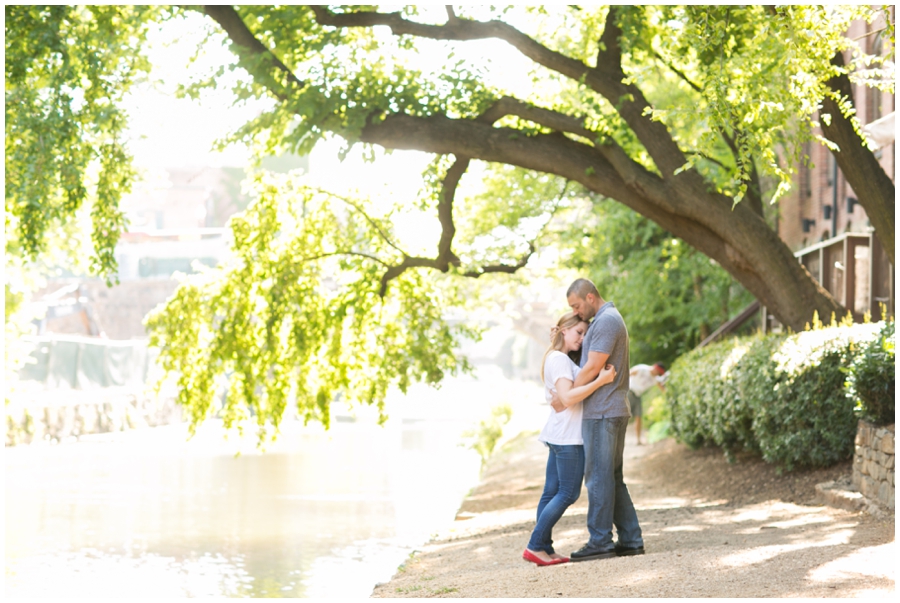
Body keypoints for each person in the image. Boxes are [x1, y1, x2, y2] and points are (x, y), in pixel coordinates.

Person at [551, 278, 644, 561]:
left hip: (603, 411)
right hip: (609, 409)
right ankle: (630, 540)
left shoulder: (606, 321)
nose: (577, 312)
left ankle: (600, 541)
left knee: (598, 479)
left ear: (590, 297)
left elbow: (593, 366)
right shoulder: (607, 319)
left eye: (577, 306)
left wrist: (568, 393)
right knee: (612, 478)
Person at [523, 311, 617, 567]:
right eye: (579, 332)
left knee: (551, 492)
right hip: (567, 438)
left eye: (585, 334)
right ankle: (534, 545)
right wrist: (601, 381)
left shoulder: (558, 358)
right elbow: (567, 398)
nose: (582, 338)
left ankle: (544, 548)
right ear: (564, 331)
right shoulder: (560, 360)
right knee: (567, 493)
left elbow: (564, 397)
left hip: (558, 433)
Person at [627, 363, 667, 445]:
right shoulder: (642, 369)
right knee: (624, 417)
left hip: (638, 395)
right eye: (658, 372)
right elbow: (628, 374)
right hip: (629, 392)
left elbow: (662, 388)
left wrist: (668, 395)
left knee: (638, 416)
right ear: (656, 368)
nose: (658, 374)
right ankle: (618, 438)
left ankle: (638, 440)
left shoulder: (655, 379)